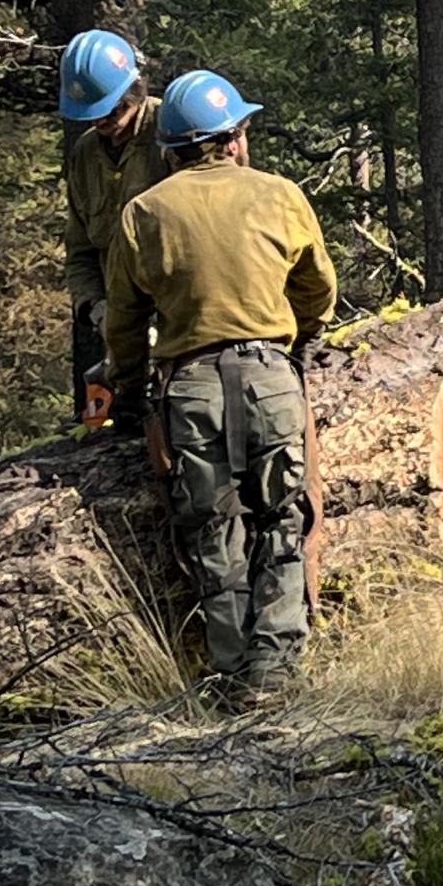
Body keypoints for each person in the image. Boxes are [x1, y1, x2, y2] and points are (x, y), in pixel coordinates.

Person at [106, 69, 336, 700]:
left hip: (190, 389)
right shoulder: (279, 194)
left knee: (213, 526)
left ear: (173, 150)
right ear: (234, 138)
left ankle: (231, 667)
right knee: (282, 516)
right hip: (268, 376)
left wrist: (128, 390)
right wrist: (297, 337)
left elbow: (124, 319)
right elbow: (318, 287)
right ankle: (277, 667)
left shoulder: (143, 212)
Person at [59, 30, 168, 424]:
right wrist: (97, 309)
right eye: (94, 115)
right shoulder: (85, 154)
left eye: (113, 111)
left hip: (181, 327)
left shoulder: (173, 131)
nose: (104, 123)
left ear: (136, 88)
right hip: (118, 337)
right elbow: (80, 250)